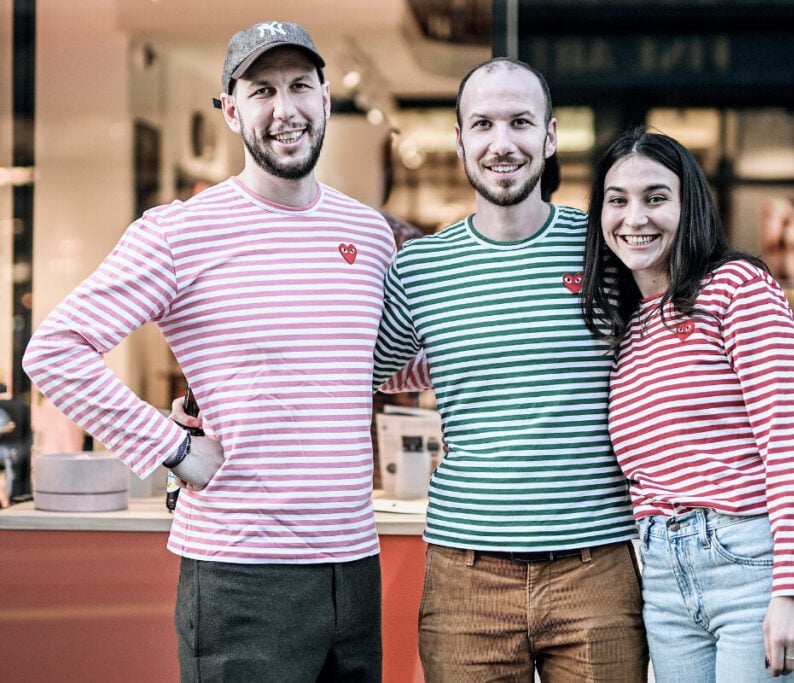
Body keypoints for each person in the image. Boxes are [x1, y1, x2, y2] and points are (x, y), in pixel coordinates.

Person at [23, 21, 395, 681]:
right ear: (230, 110)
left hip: (354, 568)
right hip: (241, 574)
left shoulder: (366, 232)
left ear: (327, 99)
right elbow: (56, 349)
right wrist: (175, 449)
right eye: (261, 90)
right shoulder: (179, 231)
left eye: (300, 86)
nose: (286, 108)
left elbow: (385, 366)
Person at [370, 58, 648, 681]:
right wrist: (217, 400)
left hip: (595, 574)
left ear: (549, 137)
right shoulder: (419, 271)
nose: (503, 143)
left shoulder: (605, 253)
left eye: (521, 122)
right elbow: (356, 373)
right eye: (484, 124)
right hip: (466, 580)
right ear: (461, 140)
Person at [579, 127, 794, 681]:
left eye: (656, 198)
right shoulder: (629, 323)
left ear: (689, 205)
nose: (635, 218)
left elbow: (790, 436)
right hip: (662, 579)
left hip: (755, 564)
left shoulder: (736, 287)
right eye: (618, 201)